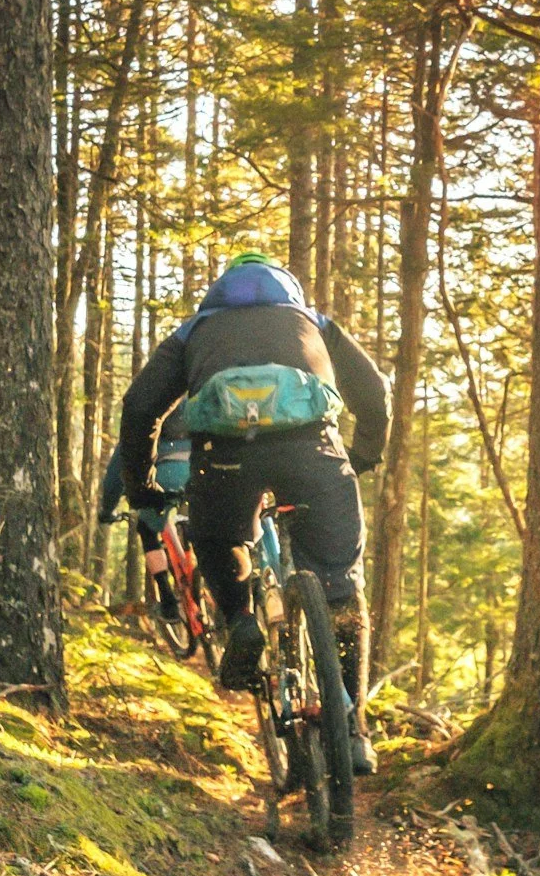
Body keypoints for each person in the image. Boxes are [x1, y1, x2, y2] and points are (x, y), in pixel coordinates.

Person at [118, 253, 390, 770]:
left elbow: (138, 407)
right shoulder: (313, 322)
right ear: (288, 291)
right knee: (343, 591)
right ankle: (353, 731)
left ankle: (241, 620)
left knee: (219, 538)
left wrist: (143, 489)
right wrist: (363, 456)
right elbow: (373, 389)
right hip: (312, 452)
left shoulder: (196, 330)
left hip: (225, 459)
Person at [98, 400, 193, 631]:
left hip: (164, 479)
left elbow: (114, 476)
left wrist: (107, 510)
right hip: (198, 473)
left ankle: (167, 598)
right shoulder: (194, 403)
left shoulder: (142, 416)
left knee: (147, 529)